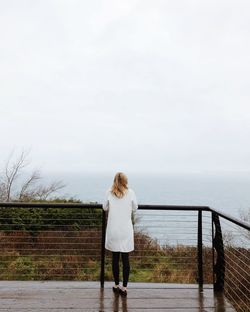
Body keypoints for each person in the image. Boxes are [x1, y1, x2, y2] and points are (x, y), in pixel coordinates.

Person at [102, 172, 138, 296]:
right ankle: (124, 288)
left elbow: (104, 207)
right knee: (125, 259)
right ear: (125, 181)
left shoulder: (109, 192)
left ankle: (116, 285)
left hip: (113, 230)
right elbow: (135, 207)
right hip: (125, 230)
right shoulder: (131, 192)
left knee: (115, 258)